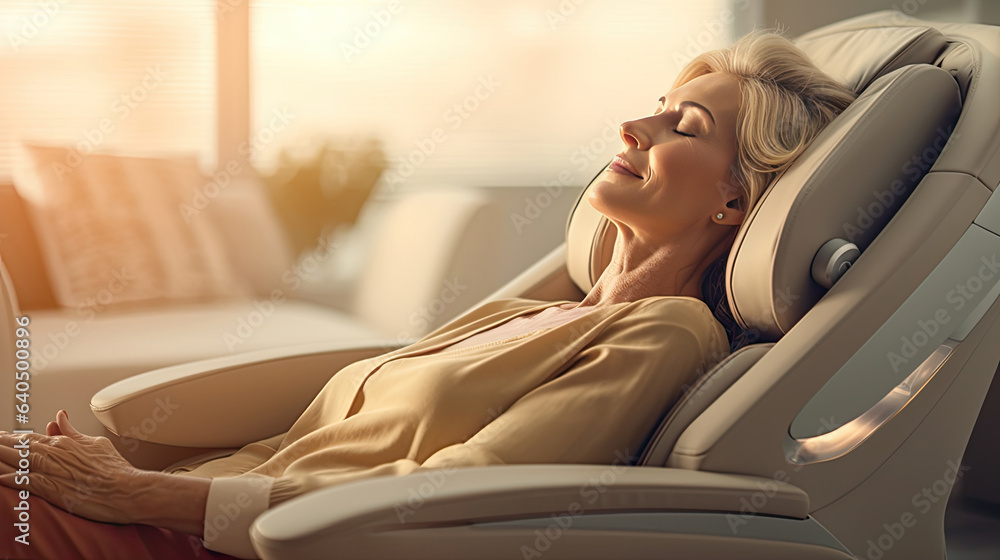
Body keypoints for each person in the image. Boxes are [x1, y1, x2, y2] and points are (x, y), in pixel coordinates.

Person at [0, 30, 856, 559]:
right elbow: (315, 444)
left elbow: (450, 498)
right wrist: (123, 471)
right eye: (660, 105)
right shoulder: (541, 313)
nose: (637, 125)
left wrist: (139, 497)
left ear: (734, 201)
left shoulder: (666, 336)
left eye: (687, 127)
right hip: (185, 512)